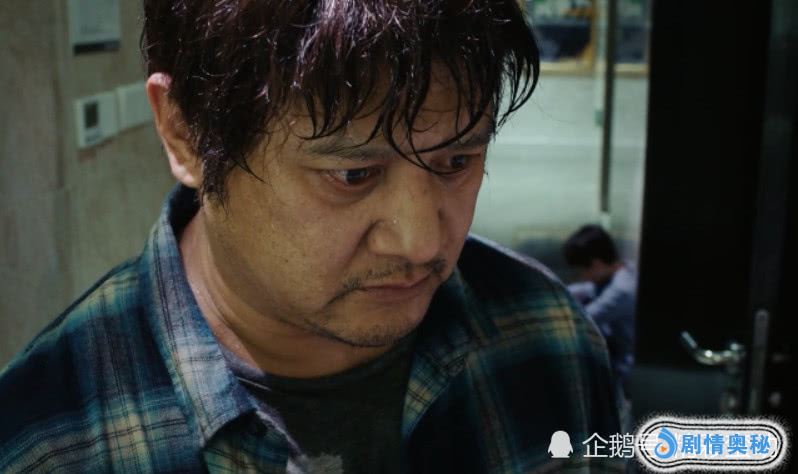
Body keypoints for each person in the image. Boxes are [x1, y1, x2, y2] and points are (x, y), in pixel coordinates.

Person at [0, 1, 625, 472]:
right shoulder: (48, 439)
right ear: (185, 133)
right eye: (352, 175)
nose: (419, 243)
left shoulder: (546, 336)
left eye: (456, 161)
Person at [563, 224, 637, 399]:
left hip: (627, 372)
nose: (581, 276)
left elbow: (583, 320)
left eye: (581, 270)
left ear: (596, 264)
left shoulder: (622, 291)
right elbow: (586, 288)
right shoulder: (624, 269)